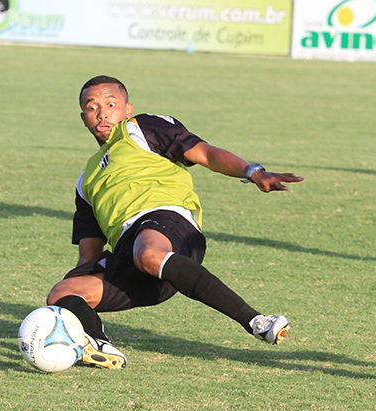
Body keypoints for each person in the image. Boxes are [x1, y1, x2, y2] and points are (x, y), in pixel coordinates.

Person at [45, 75, 303, 369]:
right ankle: (99, 345)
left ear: (127, 109)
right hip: (138, 264)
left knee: (148, 252)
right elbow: (87, 258)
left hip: (168, 225)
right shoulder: (86, 181)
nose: (102, 113)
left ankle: (256, 321)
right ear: (83, 118)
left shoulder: (141, 128)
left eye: (111, 104)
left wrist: (253, 172)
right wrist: (69, 308)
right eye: (92, 108)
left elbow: (206, 153)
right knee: (61, 292)